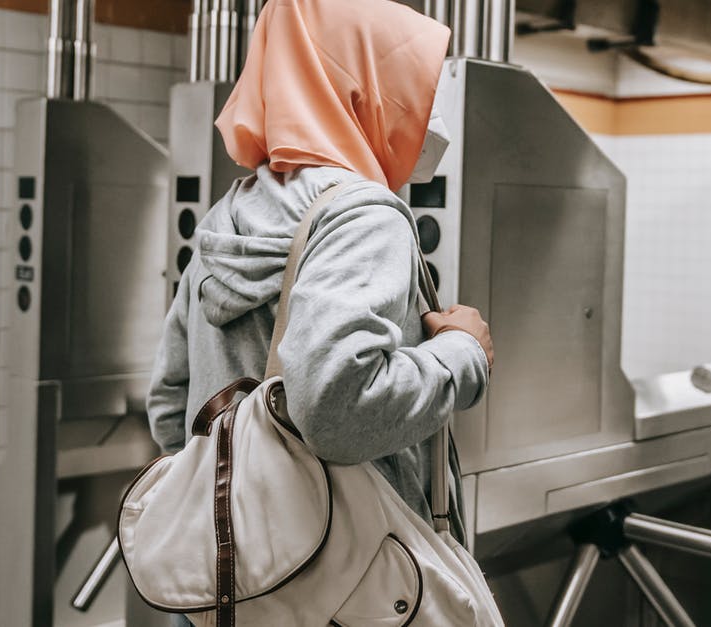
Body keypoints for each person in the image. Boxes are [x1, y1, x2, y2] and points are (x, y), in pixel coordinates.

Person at [145, 0, 493, 612]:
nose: (427, 114)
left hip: (229, 587)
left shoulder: (227, 217)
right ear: (364, 87)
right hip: (345, 592)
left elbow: (174, 406)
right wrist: (461, 355)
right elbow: (336, 407)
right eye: (414, 85)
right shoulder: (363, 216)